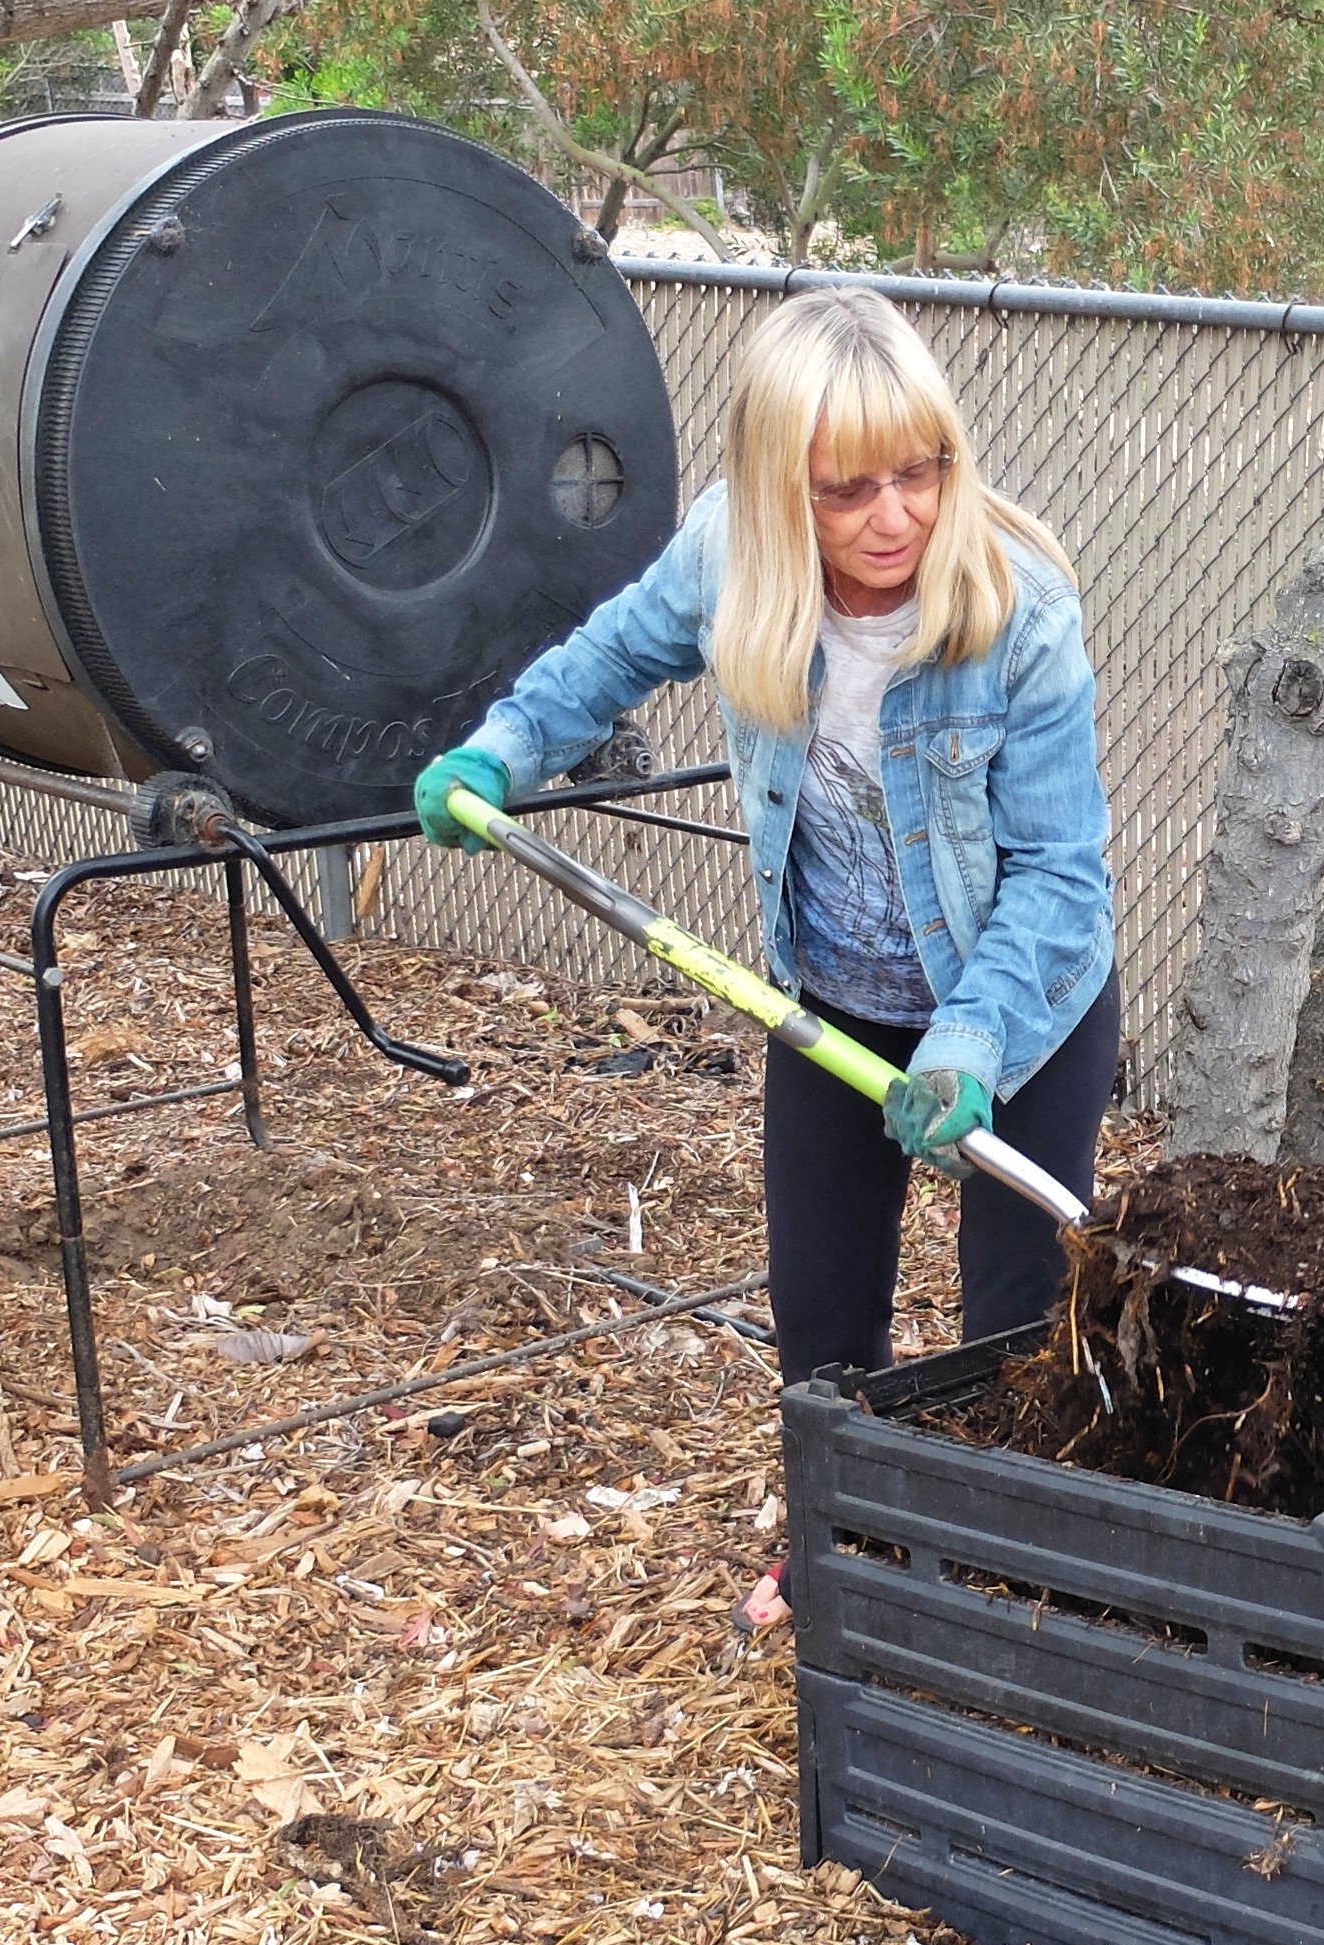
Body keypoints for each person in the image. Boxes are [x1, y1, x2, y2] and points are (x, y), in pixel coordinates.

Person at [411, 287, 1120, 1410]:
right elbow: (606, 660)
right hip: (830, 1005)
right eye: (846, 490)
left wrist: (971, 1042)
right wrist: (502, 750)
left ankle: (1001, 1574)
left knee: (1019, 1336)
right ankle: (840, 1554)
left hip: (1018, 1017)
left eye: (920, 471)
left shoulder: (1019, 607)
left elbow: (1061, 868)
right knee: (824, 1331)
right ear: (777, 490)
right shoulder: (727, 552)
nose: (895, 518)